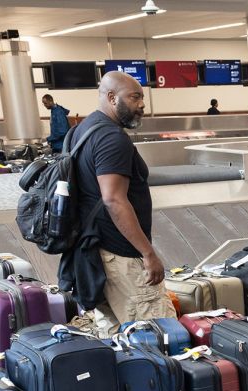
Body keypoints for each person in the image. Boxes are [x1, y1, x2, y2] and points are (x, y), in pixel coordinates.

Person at [59, 70, 170, 328]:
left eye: (142, 98)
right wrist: (147, 253)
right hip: (121, 257)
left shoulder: (81, 131)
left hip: (93, 254)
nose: (142, 104)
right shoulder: (112, 138)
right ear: (111, 97)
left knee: (118, 339)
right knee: (158, 336)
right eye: (134, 97)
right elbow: (114, 200)